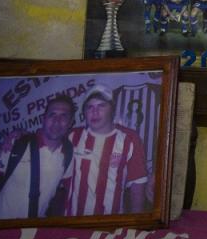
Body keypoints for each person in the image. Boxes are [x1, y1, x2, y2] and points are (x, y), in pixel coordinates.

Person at [0, 96, 75, 220]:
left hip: (33, 232)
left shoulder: (69, 154)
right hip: (0, 226)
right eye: (52, 114)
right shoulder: (17, 144)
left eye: (64, 116)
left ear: (70, 123)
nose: (56, 121)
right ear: (44, 118)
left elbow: (64, 191)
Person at [61, 86, 149, 216]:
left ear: (112, 110)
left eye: (101, 106)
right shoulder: (72, 137)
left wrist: (138, 222)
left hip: (111, 223)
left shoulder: (129, 139)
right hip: (74, 221)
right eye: (89, 107)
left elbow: (138, 185)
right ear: (84, 112)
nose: (94, 112)